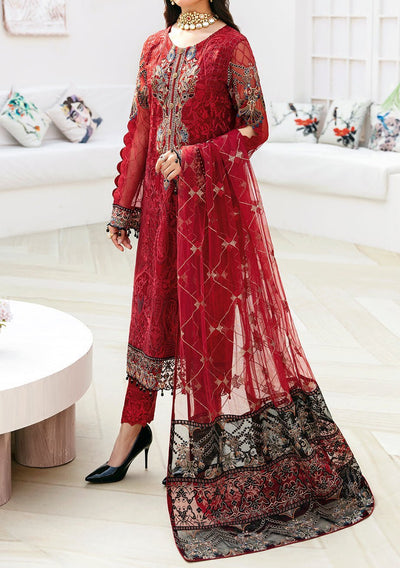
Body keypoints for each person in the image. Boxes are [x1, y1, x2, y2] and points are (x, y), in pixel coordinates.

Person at [85, 0, 375, 562]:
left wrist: (194, 156)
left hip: (212, 209)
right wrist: (124, 204)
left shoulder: (231, 46)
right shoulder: (154, 45)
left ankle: (207, 445)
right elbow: (141, 128)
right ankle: (131, 431)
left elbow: (254, 128)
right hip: (162, 210)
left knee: (208, 324)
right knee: (151, 317)